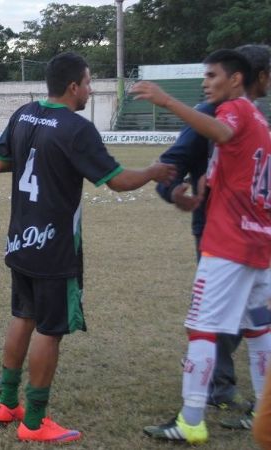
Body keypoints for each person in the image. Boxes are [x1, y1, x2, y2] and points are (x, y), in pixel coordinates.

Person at [0, 52, 176, 443]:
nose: (90, 89)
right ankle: (35, 422)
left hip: (20, 240)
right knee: (49, 329)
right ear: (73, 86)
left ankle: (7, 404)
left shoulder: (23, 113)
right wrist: (153, 172)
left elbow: (0, 163)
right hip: (55, 247)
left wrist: (37, 156)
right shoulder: (76, 128)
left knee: (22, 317)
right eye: (89, 83)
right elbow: (117, 181)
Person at [132, 49, 271, 445]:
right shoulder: (261, 120)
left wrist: (166, 100)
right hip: (259, 244)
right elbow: (232, 161)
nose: (205, 82)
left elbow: (223, 133)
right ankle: (265, 414)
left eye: (212, 75)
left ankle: (192, 419)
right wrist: (195, 189)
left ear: (236, 80)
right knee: (258, 327)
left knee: (202, 329)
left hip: (229, 245)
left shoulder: (236, 111)